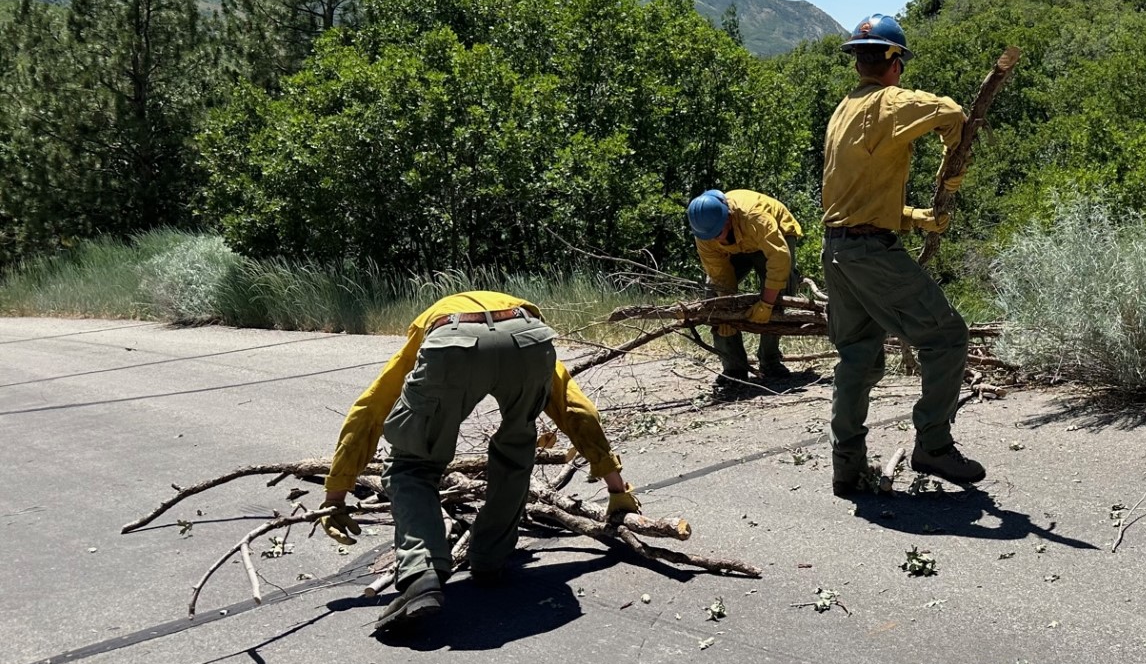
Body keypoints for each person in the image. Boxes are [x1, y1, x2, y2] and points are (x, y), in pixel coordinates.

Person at [317, 290, 633, 636]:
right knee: (516, 452)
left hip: (452, 339)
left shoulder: (430, 322)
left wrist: (336, 494)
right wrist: (616, 488)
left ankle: (421, 573)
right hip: (529, 338)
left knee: (412, 465)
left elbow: (371, 408)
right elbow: (577, 410)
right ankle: (489, 560)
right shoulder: (518, 312)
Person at [821, 13, 985, 496]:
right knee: (947, 337)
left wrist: (916, 217)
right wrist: (949, 166)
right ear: (894, 62)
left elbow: (856, 196)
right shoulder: (887, 102)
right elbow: (952, 113)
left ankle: (847, 466)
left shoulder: (844, 109)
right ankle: (933, 445)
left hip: (838, 249)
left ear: (858, 61)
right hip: (869, 251)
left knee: (858, 358)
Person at [687, 188, 804, 396]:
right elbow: (720, 277)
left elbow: (779, 259)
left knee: (780, 291)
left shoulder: (755, 216)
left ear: (727, 218)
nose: (715, 240)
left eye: (717, 233)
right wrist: (725, 312)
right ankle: (734, 368)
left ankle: (770, 361)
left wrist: (766, 304)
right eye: (710, 236)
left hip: (774, 236)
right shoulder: (705, 234)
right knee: (713, 298)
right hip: (739, 247)